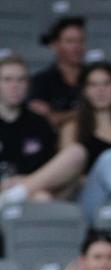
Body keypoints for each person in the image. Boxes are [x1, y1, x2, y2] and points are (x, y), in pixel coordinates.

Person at [0, 62, 111, 223]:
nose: (100, 90)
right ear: (84, 91)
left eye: (106, 84)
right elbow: (65, 175)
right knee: (109, 157)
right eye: (93, 85)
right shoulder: (72, 128)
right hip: (88, 200)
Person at [0, 56, 56, 185]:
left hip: (31, 193)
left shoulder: (40, 124)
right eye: (7, 80)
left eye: (21, 80)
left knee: (43, 197)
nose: (15, 86)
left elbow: (50, 171)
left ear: (28, 84)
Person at [29, 17, 86, 130]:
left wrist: (59, 115)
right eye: (70, 41)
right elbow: (43, 120)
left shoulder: (93, 77)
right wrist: (82, 114)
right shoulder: (41, 81)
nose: (77, 47)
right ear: (55, 45)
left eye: (81, 41)